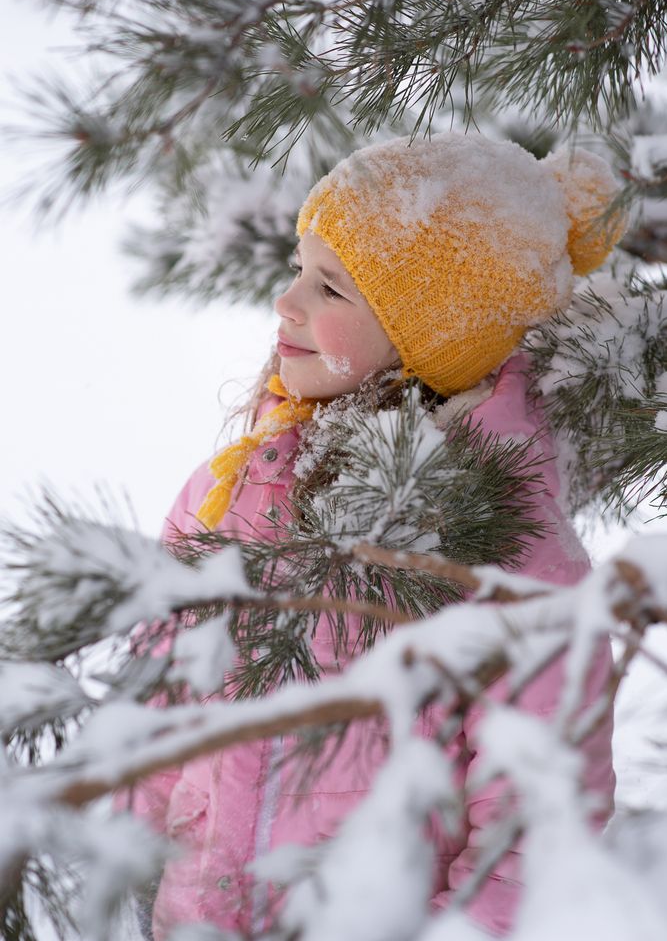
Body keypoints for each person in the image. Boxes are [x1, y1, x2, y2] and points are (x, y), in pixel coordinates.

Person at [128, 133, 626, 939]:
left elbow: (537, 829)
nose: (286, 303)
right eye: (298, 269)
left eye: (329, 288)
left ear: (433, 335)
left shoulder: (509, 557)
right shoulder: (231, 489)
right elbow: (157, 700)